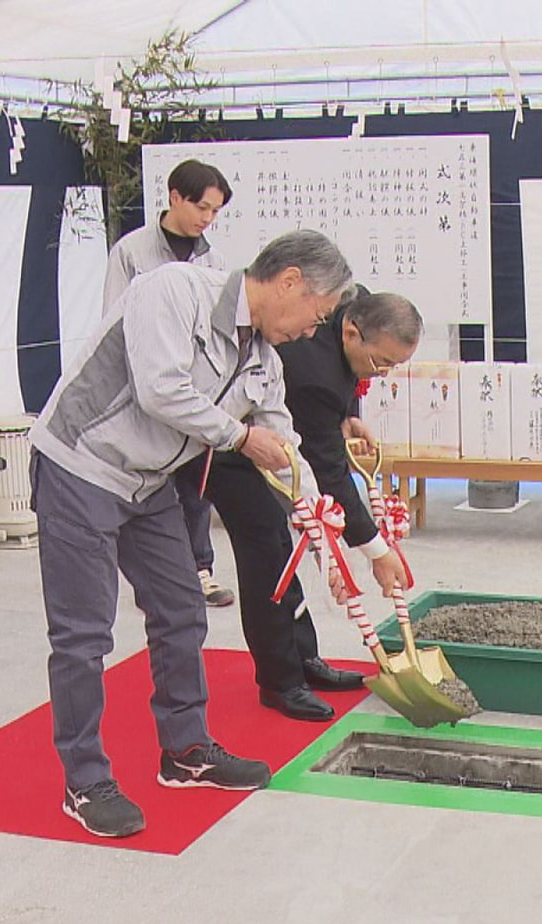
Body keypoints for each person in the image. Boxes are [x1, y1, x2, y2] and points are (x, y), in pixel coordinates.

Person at [30, 230, 354, 839]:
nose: (314, 331)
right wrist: (238, 437)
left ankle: (185, 751)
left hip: (149, 482)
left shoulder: (265, 358)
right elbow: (161, 390)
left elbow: (286, 448)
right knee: (83, 635)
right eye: (318, 315)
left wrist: (325, 535)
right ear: (289, 282)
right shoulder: (175, 291)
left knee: (182, 611)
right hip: (81, 465)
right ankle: (84, 780)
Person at [197, 287, 419, 720]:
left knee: (287, 548)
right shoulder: (313, 371)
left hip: (281, 436)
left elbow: (349, 379)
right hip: (231, 447)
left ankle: (304, 659)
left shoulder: (351, 300)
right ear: (352, 333)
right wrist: (376, 549)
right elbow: (330, 472)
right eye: (382, 363)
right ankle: (280, 682)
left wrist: (348, 411)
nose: (384, 373)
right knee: (268, 552)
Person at [103, 158, 237, 608]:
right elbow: (113, 322)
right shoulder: (131, 252)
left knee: (197, 486)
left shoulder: (214, 259)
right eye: (202, 206)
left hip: (194, 388)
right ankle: (158, 572)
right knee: (150, 484)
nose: (207, 218)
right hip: (145, 385)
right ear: (174, 197)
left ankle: (200, 570)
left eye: (216, 211)